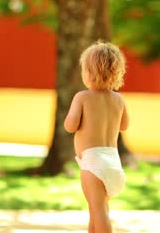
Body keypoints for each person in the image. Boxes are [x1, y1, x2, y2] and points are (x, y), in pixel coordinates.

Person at [64, 41, 129, 233]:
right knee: (98, 211)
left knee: (98, 213)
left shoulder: (82, 97)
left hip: (93, 164)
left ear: (90, 72)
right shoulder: (119, 99)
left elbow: (70, 126)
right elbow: (124, 126)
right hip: (113, 163)